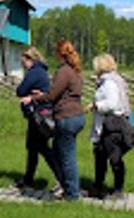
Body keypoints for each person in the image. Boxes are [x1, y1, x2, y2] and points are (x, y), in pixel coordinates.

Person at [29, 38, 85, 201]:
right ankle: (68, 188)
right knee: (62, 152)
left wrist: (36, 98)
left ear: (60, 54)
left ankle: (72, 194)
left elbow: (53, 95)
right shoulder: (75, 71)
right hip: (77, 115)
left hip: (66, 117)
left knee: (65, 156)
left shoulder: (64, 71)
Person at [88, 53, 134, 200]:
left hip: (111, 125)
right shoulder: (111, 80)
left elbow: (112, 103)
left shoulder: (109, 83)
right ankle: (98, 186)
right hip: (107, 125)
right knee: (100, 155)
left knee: (114, 158)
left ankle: (118, 189)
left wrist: (96, 105)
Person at [16, 46, 62, 193]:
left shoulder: (34, 72)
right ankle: (28, 180)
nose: (23, 65)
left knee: (41, 147)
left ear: (29, 59)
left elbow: (20, 90)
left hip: (38, 115)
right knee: (33, 148)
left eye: (23, 62)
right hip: (39, 114)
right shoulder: (41, 71)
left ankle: (60, 177)